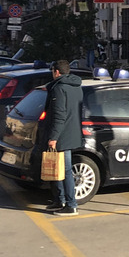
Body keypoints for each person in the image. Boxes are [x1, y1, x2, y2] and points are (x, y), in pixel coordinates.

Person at [45, 59, 84, 217]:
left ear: (56, 72)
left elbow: (59, 115)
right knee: (58, 169)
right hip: (72, 132)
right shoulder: (76, 87)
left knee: (65, 170)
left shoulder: (59, 88)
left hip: (62, 134)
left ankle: (70, 204)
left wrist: (53, 137)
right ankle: (59, 200)